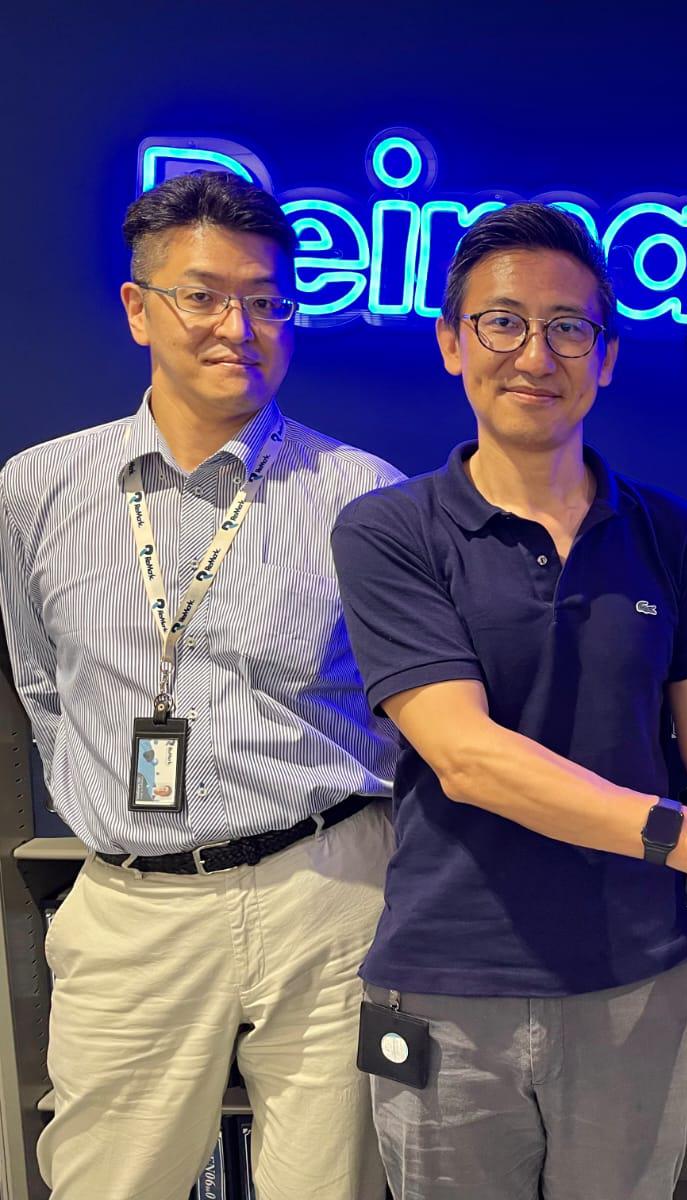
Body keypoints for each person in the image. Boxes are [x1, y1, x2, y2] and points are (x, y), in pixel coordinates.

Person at [329, 202, 687, 1200]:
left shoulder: (664, 528)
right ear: (451, 342)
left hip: (636, 981)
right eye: (503, 322)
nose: (537, 352)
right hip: (447, 983)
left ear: (606, 356)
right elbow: (467, 757)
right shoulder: (390, 531)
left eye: (569, 327)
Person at [0, 170, 402, 1198]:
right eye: (205, 295)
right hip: (135, 908)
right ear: (139, 308)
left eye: (269, 300)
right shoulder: (38, 490)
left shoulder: (362, 498)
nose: (241, 326)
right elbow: (44, 687)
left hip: (331, 891)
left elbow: (408, 713)